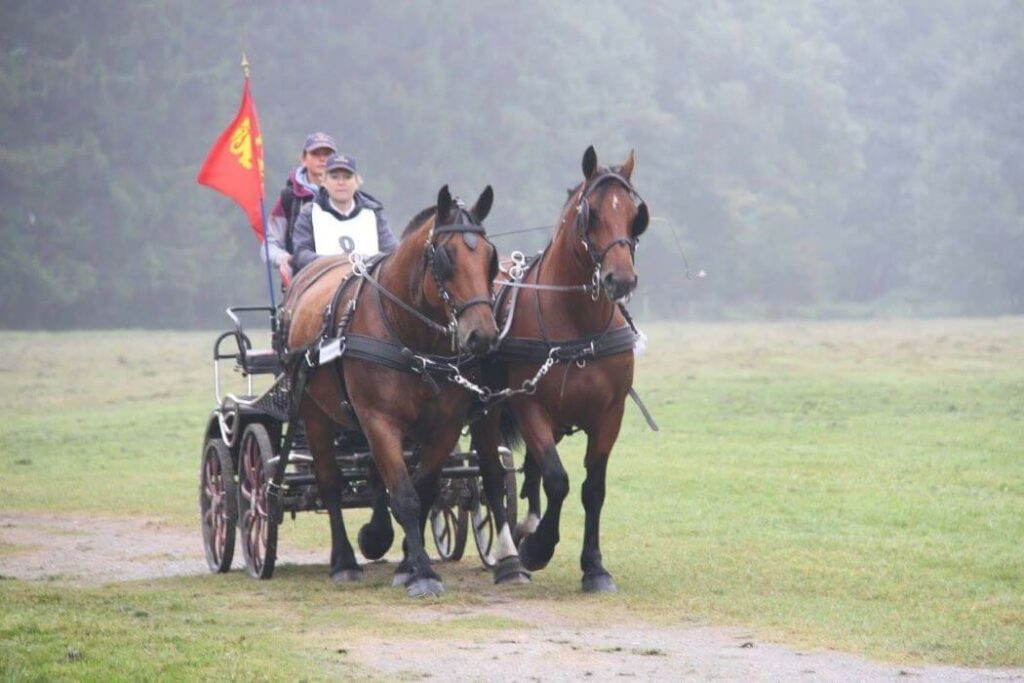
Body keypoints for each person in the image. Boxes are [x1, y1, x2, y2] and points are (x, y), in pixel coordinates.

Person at [291, 153, 397, 273]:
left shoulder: (374, 213)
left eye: (347, 177)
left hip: (370, 283)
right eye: (334, 177)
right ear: (324, 181)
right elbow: (301, 253)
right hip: (324, 281)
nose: (341, 182)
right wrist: (334, 263)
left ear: (357, 181)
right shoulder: (309, 214)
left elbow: (391, 251)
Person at [262, 131, 338, 285]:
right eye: (316, 153)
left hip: (344, 279)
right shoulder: (289, 198)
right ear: (303, 159)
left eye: (327, 154)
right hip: (302, 282)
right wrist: (283, 258)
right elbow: (269, 245)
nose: (322, 158)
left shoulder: (349, 198)